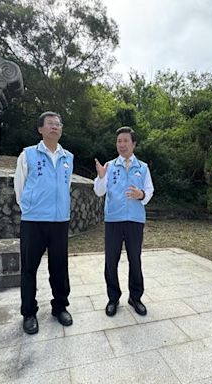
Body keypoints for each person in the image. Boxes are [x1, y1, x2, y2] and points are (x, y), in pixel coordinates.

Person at [14, 111, 74, 335]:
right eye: (50, 124)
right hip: (34, 221)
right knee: (29, 268)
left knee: (59, 267)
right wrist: (31, 208)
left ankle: (60, 307)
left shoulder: (68, 157)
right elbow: (20, 188)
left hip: (59, 221)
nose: (54, 127)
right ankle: (29, 313)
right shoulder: (28, 154)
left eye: (58, 124)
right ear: (40, 129)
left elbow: (65, 188)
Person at [94, 127, 154, 317]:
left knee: (134, 260)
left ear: (133, 144)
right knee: (111, 261)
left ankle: (135, 297)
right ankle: (113, 298)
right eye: (119, 141)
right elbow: (99, 191)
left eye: (125, 141)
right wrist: (101, 177)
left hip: (135, 220)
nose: (122, 144)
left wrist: (141, 194)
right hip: (113, 219)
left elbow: (149, 191)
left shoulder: (142, 167)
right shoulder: (109, 166)